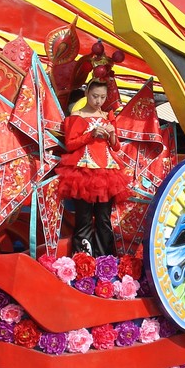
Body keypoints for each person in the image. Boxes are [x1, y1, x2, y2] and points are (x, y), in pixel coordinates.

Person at [56, 81, 131, 256]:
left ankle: (104, 260)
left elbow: (116, 147)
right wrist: (91, 135)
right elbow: (70, 144)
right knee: (84, 219)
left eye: (102, 97)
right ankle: (83, 259)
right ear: (86, 93)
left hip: (107, 173)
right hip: (83, 173)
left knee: (104, 219)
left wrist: (111, 134)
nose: (98, 101)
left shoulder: (108, 116)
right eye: (95, 96)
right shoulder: (77, 116)